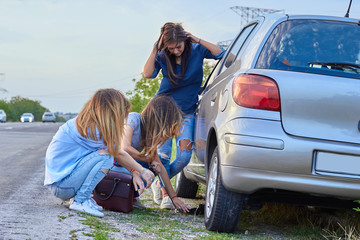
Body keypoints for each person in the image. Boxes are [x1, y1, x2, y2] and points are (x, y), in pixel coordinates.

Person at [143, 22, 225, 204]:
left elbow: (221, 53)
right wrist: (155, 49)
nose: (176, 51)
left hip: (187, 113)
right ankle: (166, 195)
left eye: (178, 46)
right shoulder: (163, 55)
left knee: (184, 158)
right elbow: (148, 74)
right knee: (163, 156)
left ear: (185, 40)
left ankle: (158, 183)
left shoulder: (197, 49)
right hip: (163, 113)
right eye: (171, 48)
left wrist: (197, 39)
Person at [44, 88, 155, 217]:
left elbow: (118, 152)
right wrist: (142, 170)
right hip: (63, 186)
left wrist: (136, 171)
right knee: (105, 156)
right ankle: (80, 201)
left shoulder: (86, 123)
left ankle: (83, 198)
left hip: (61, 184)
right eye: (122, 114)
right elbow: (117, 153)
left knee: (105, 154)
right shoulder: (94, 130)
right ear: (112, 111)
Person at [112, 95, 190, 212]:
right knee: (150, 163)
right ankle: (122, 192)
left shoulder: (149, 135)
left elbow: (161, 168)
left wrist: (174, 197)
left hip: (124, 166)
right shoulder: (133, 119)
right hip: (110, 164)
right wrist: (148, 159)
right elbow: (125, 148)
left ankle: (130, 195)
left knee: (157, 164)